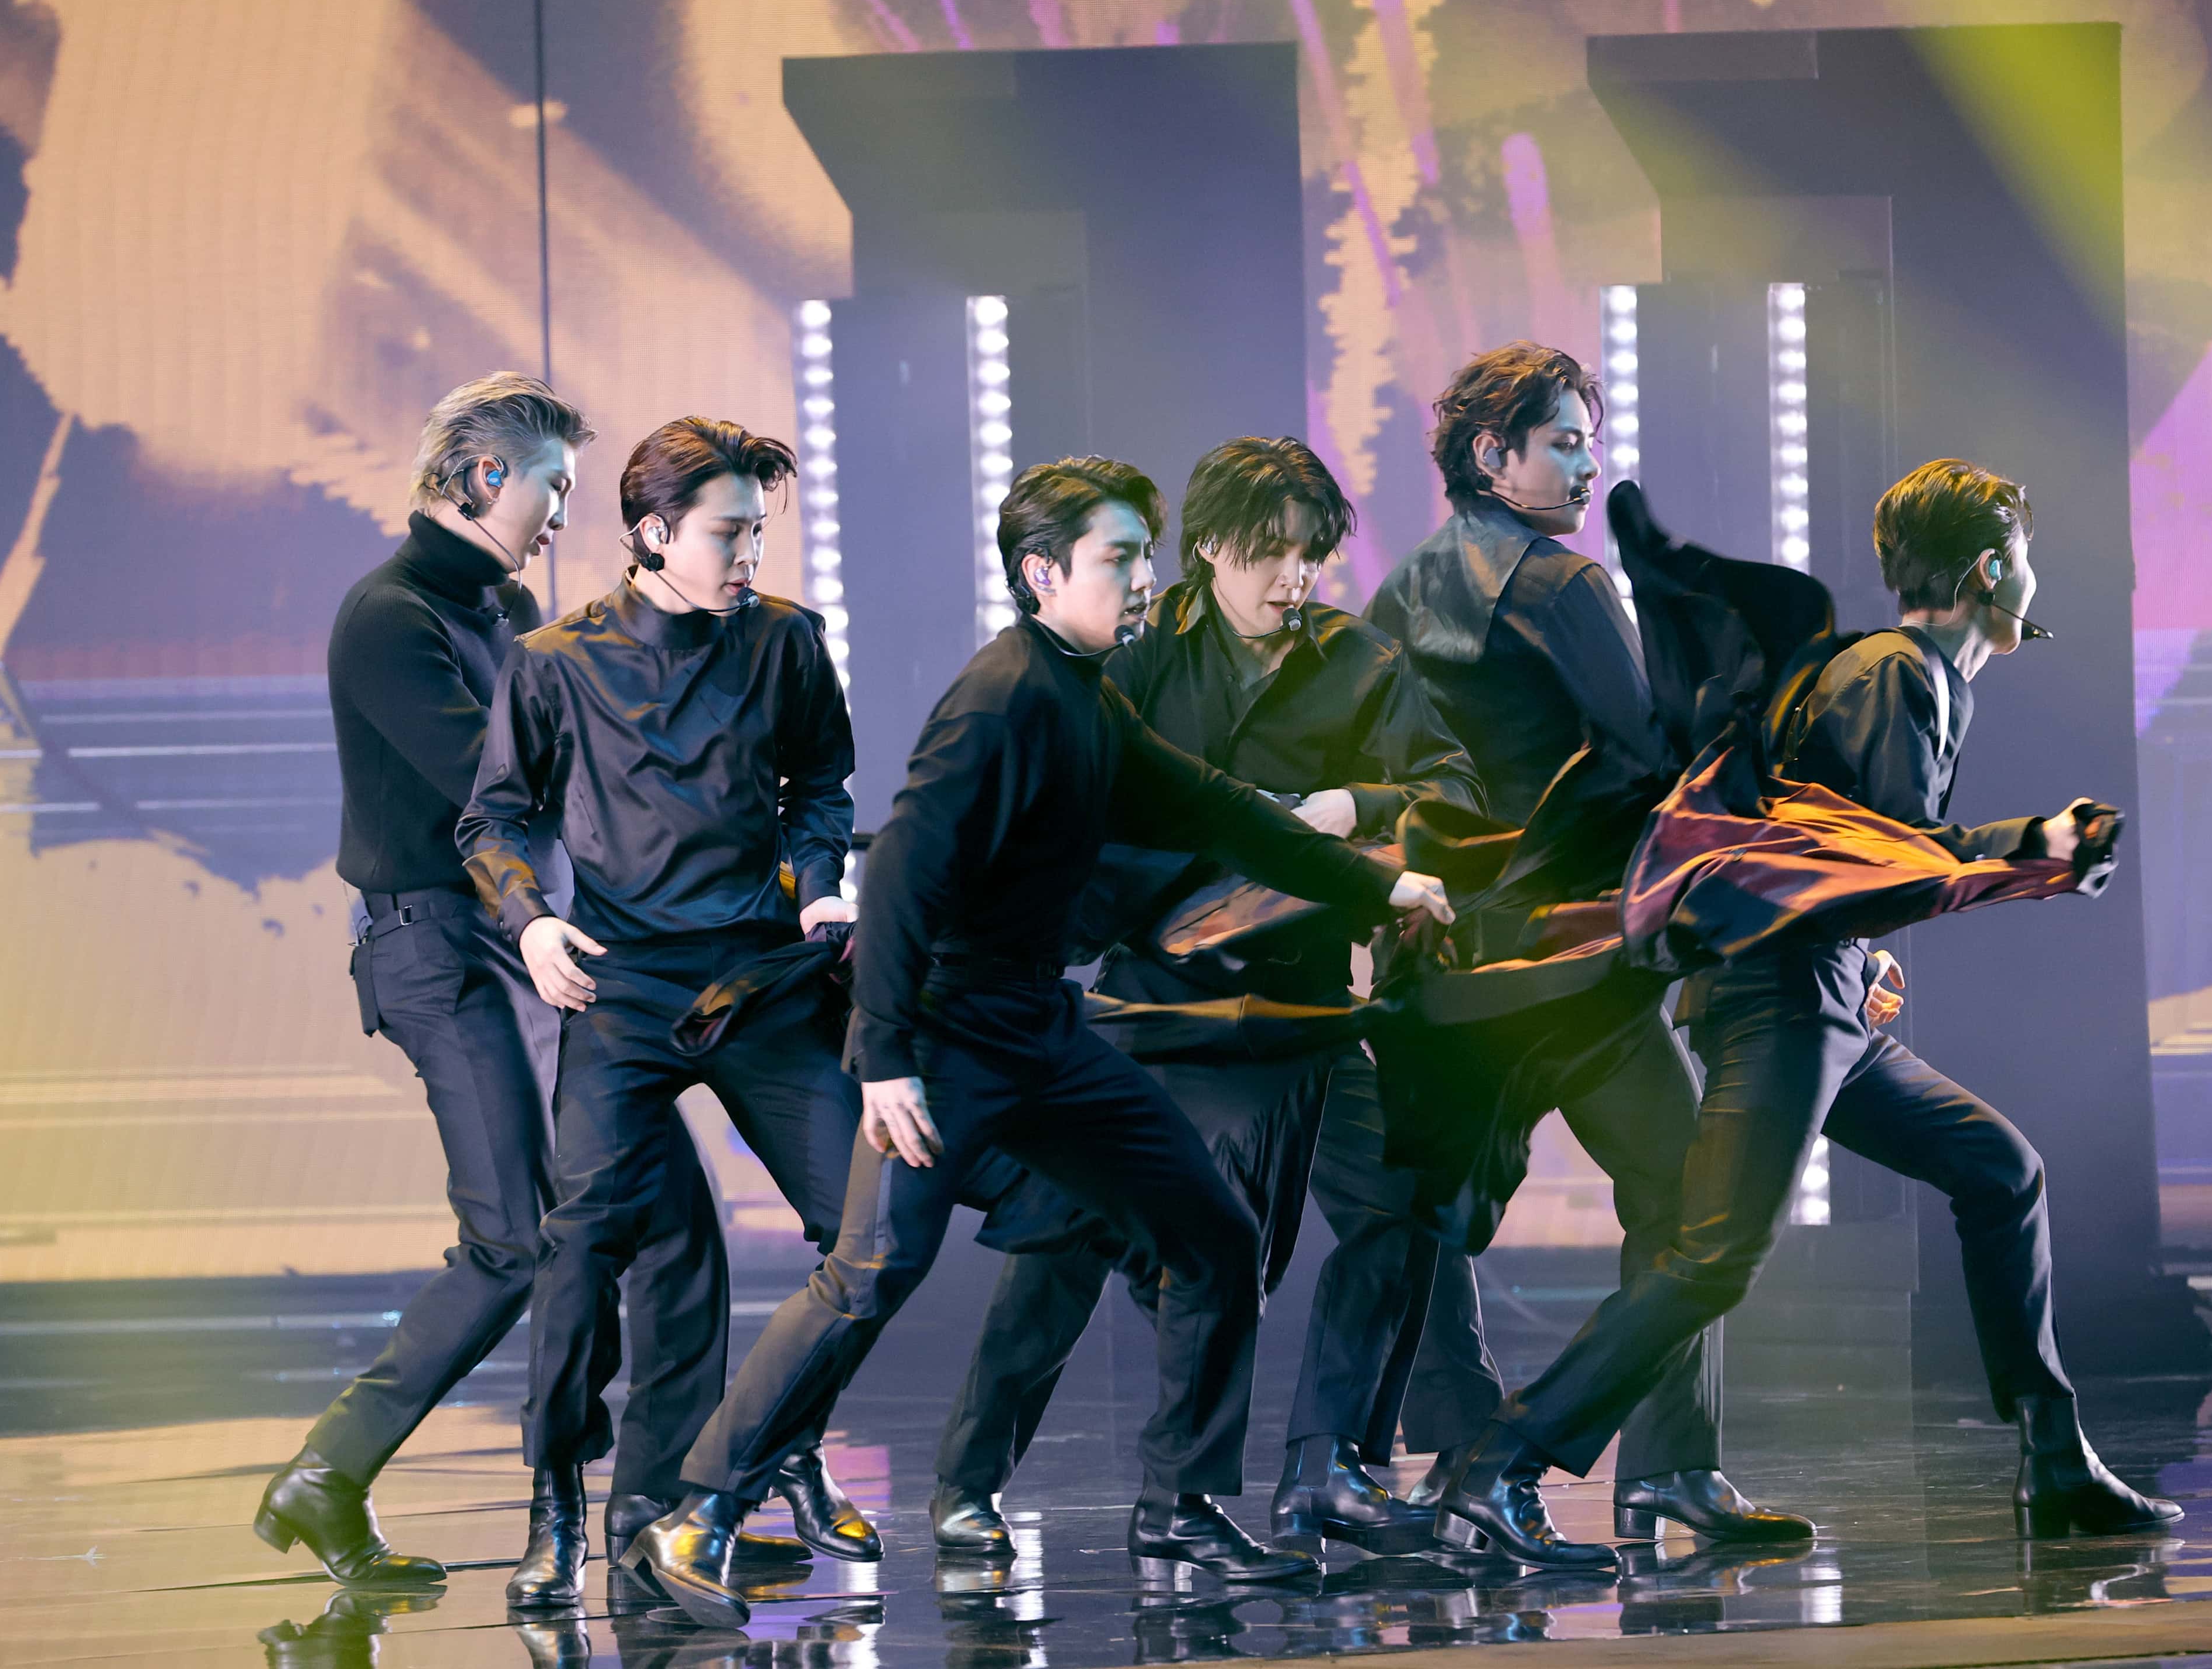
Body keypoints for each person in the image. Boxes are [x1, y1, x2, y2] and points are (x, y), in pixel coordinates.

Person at [619, 456, 1458, 1629]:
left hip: (1043, 1037)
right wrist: (885, 1059)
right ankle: (697, 1508)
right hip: (948, 1041)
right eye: (1119, 558)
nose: (1141, 578)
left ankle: (1184, 1513)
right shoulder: (1004, 694)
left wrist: (1384, 884)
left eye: (1141, 556)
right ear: (1043, 572)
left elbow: (1218, 810)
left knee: (1210, 1238)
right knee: (872, 1274)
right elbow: (906, 873)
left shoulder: (1087, 692)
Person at [1430, 457, 2181, 1554]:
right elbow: (1877, 857)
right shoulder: (1897, 673)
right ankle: (1502, 1463)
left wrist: (1878, 941)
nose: (2035, 574)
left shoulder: (1907, 675)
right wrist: (2038, 848)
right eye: (2026, 555)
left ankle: (2056, 1458)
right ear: (1990, 568)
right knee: (1715, 1254)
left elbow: (1837, 856)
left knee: (1999, 1169)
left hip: (1816, 995)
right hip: (1781, 1000)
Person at [923, 438, 1481, 1559]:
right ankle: (970, 1484)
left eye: (1311, 556)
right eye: (1267, 553)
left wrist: (1342, 805)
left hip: (1308, 1004)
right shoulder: (1131, 649)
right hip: (1154, 998)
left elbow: (1452, 791)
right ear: (1209, 547)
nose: (1292, 579)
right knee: (1067, 1231)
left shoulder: (1361, 661)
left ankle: (1329, 1467)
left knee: (1407, 1200)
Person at [1362, 342, 1805, 1564]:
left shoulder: (1399, 593)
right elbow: (1655, 770)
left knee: (1432, 1225)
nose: (1588, 458)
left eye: (1584, 435)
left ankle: (1444, 1468)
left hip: (1448, 964)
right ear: (1492, 456)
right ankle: (1655, 1468)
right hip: (1571, 963)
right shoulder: (1564, 586)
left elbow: (1372, 766)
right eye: (1563, 438)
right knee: (1683, 1203)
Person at [457, 417, 867, 1608]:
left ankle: (779, 1448)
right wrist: (532, 922)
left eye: (755, 531)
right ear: (651, 533)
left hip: (763, 976)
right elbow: (491, 822)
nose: (749, 553)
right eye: (727, 532)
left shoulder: (787, 641)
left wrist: (823, 880)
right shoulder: (554, 660)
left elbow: (821, 788)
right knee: (580, 1243)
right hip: (625, 984)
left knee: (868, 1233)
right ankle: (554, 1512)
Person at [255, 373, 625, 1588]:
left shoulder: (503, 604)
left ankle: (591, 1498)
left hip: (513, 940)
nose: (564, 512)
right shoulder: (391, 615)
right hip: (434, 946)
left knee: (581, 1222)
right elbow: (495, 783)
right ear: (482, 480)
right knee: (516, 1239)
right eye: (552, 487)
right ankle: (329, 1471)